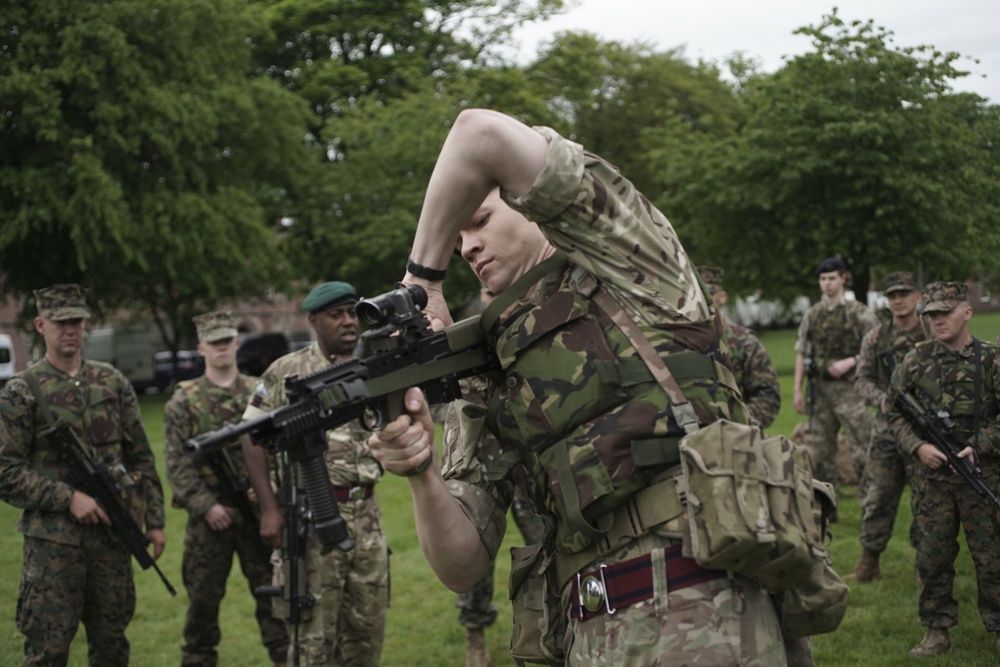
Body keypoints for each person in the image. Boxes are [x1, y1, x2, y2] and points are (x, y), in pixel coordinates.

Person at [369, 109, 788, 665]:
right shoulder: (490, 360)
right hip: (586, 632)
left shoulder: (633, 258)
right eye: (459, 233)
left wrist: (422, 280)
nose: (465, 247)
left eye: (481, 221)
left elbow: (478, 133)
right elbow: (462, 564)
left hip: (700, 609)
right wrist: (421, 471)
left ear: (529, 205)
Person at [0, 283, 167, 666]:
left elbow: (141, 457)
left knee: (112, 649)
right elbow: (5, 471)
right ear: (41, 325)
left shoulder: (113, 383)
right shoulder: (21, 391)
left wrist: (154, 521)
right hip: (52, 549)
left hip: (112, 540)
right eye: (61, 322)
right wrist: (67, 498)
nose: (70, 329)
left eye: (77, 321)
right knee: (48, 653)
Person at [241, 281, 388, 667]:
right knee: (312, 644)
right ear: (313, 321)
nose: (347, 322)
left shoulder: (372, 368)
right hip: (311, 521)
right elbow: (251, 438)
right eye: (335, 315)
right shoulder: (287, 373)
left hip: (367, 518)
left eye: (352, 312)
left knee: (366, 636)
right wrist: (270, 509)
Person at [163, 311, 290, 667]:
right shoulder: (184, 401)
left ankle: (287, 658)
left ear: (236, 343)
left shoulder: (259, 393)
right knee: (203, 605)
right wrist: (206, 506)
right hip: (210, 520)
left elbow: (279, 445)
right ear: (201, 348)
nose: (221, 347)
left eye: (227, 340)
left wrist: (270, 487)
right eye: (213, 342)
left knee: (275, 597)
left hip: (259, 513)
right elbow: (176, 463)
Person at [887, 281, 1000, 658]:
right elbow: (893, 410)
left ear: (966, 312)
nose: (936, 321)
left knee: (992, 556)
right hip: (932, 481)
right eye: (931, 315)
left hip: (980, 476)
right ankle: (936, 630)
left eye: (944, 313)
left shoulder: (991, 359)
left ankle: (998, 625)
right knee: (933, 556)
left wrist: (979, 446)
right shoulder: (915, 360)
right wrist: (917, 446)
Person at [845, 272, 928, 583]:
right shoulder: (876, 338)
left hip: (924, 434)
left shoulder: (931, 333)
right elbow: (862, 379)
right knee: (878, 496)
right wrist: (881, 399)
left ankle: (924, 564)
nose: (897, 300)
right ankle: (869, 563)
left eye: (904, 294)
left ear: (917, 297)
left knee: (925, 500)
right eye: (892, 295)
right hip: (886, 433)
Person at [792, 257, 879, 501]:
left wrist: (851, 361)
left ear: (843, 279)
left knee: (861, 447)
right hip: (820, 391)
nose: (827, 284)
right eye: (823, 279)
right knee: (821, 451)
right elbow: (802, 351)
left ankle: (870, 501)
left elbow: (876, 348)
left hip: (851, 390)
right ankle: (828, 503)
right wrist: (797, 389)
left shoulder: (858, 313)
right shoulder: (813, 315)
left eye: (832, 278)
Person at [697, 266, 781, 429]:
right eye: (697, 295)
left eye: (709, 294)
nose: (702, 301)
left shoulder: (744, 342)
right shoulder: (678, 342)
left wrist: (739, 424)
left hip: (738, 441)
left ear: (722, 297)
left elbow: (768, 394)